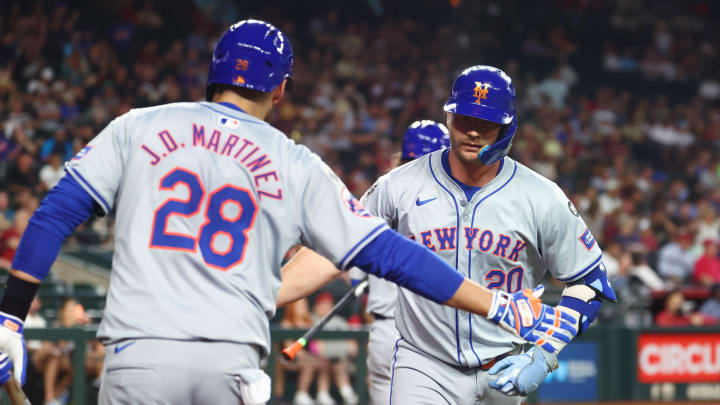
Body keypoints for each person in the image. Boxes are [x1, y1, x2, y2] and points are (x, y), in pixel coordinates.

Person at [0, 22, 576, 404]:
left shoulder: (138, 125)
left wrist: (10, 316)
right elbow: (394, 255)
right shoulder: (295, 162)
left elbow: (53, 216)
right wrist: (496, 303)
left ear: (215, 71)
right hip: (231, 363)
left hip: (137, 354)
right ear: (281, 91)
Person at [278, 66, 615, 404]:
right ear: (450, 119)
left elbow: (591, 283)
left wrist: (544, 351)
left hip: (503, 364)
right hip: (423, 363)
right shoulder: (400, 184)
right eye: (465, 119)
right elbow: (337, 242)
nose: (473, 132)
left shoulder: (541, 196)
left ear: (507, 126)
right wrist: (265, 294)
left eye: (486, 123)